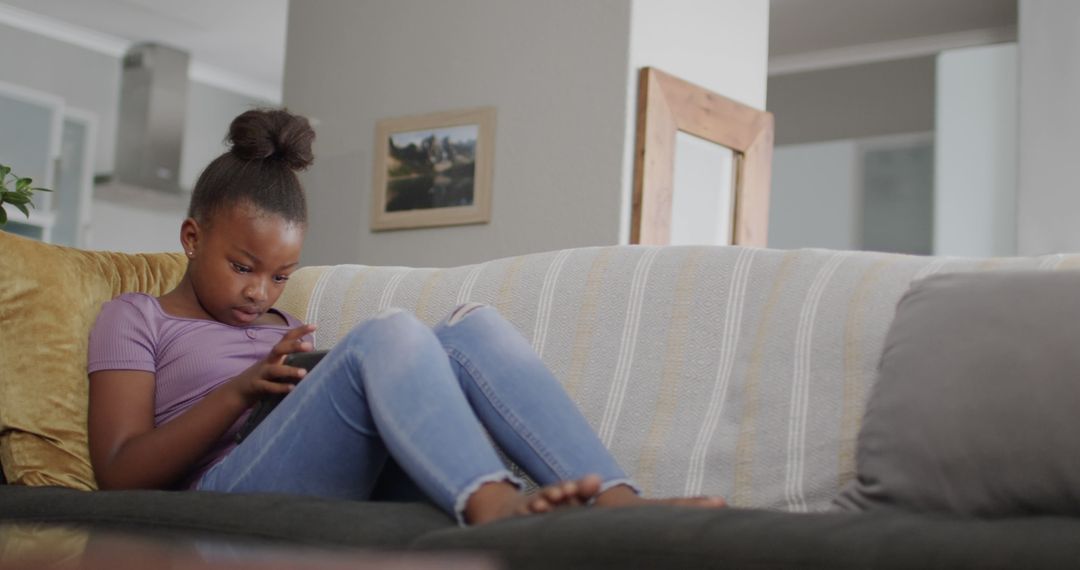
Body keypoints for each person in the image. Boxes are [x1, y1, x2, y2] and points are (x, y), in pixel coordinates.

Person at [87, 108, 724, 525]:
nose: (260, 292)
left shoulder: (278, 328)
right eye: (242, 266)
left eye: (280, 275)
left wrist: (302, 376)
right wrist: (240, 391)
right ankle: (497, 507)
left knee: (474, 326)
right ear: (192, 237)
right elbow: (119, 473)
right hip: (217, 495)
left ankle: (617, 503)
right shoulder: (135, 317)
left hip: (316, 473)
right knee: (388, 333)